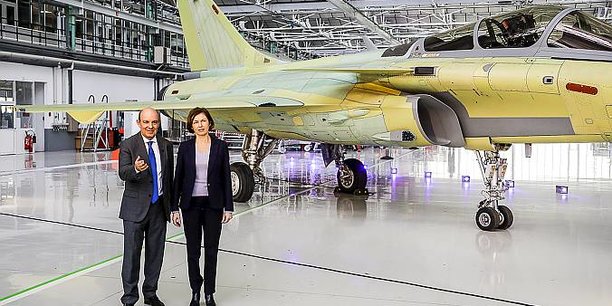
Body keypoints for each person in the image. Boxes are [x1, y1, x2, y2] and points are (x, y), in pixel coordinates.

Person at [171, 107, 234, 306]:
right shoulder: (185, 147)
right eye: (196, 121)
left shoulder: (220, 147)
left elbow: (225, 177)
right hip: (190, 205)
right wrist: (174, 208)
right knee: (193, 252)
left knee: (211, 251)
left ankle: (209, 292)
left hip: (213, 205)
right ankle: (195, 290)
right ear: (191, 125)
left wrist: (229, 207)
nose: (200, 125)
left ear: (209, 123)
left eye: (203, 121)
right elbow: (178, 178)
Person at [118, 107, 174, 306]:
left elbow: (169, 179)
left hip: (159, 208)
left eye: (155, 122)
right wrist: (135, 169)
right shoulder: (128, 145)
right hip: (134, 210)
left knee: (155, 254)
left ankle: (150, 293)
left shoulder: (166, 145)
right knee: (132, 255)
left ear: (159, 123)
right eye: (147, 122)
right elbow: (123, 173)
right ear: (139, 123)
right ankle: (130, 297)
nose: (151, 126)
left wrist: (173, 208)